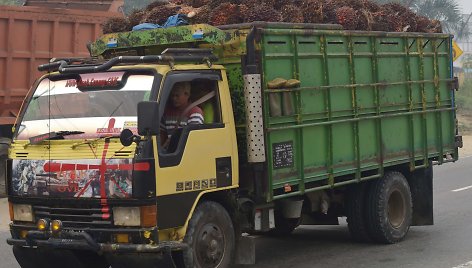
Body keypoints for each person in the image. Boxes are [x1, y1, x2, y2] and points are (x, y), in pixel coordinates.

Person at [160, 82, 204, 150]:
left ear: (187, 95)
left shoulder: (195, 113)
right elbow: (161, 136)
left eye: (177, 95)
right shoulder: (166, 113)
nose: (174, 98)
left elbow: (193, 140)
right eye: (172, 95)